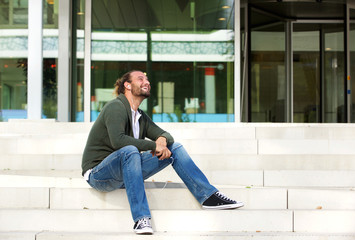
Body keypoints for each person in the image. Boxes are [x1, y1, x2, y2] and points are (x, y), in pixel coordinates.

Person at [81, 70, 244, 235]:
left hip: (124, 173)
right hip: (99, 174)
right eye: (140, 79)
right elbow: (118, 141)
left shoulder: (139, 116)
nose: (147, 82)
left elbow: (167, 136)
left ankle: (208, 196)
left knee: (175, 148)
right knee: (130, 150)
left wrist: (161, 141)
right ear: (127, 85)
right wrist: (153, 145)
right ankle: (141, 219)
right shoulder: (116, 107)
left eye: (147, 79)